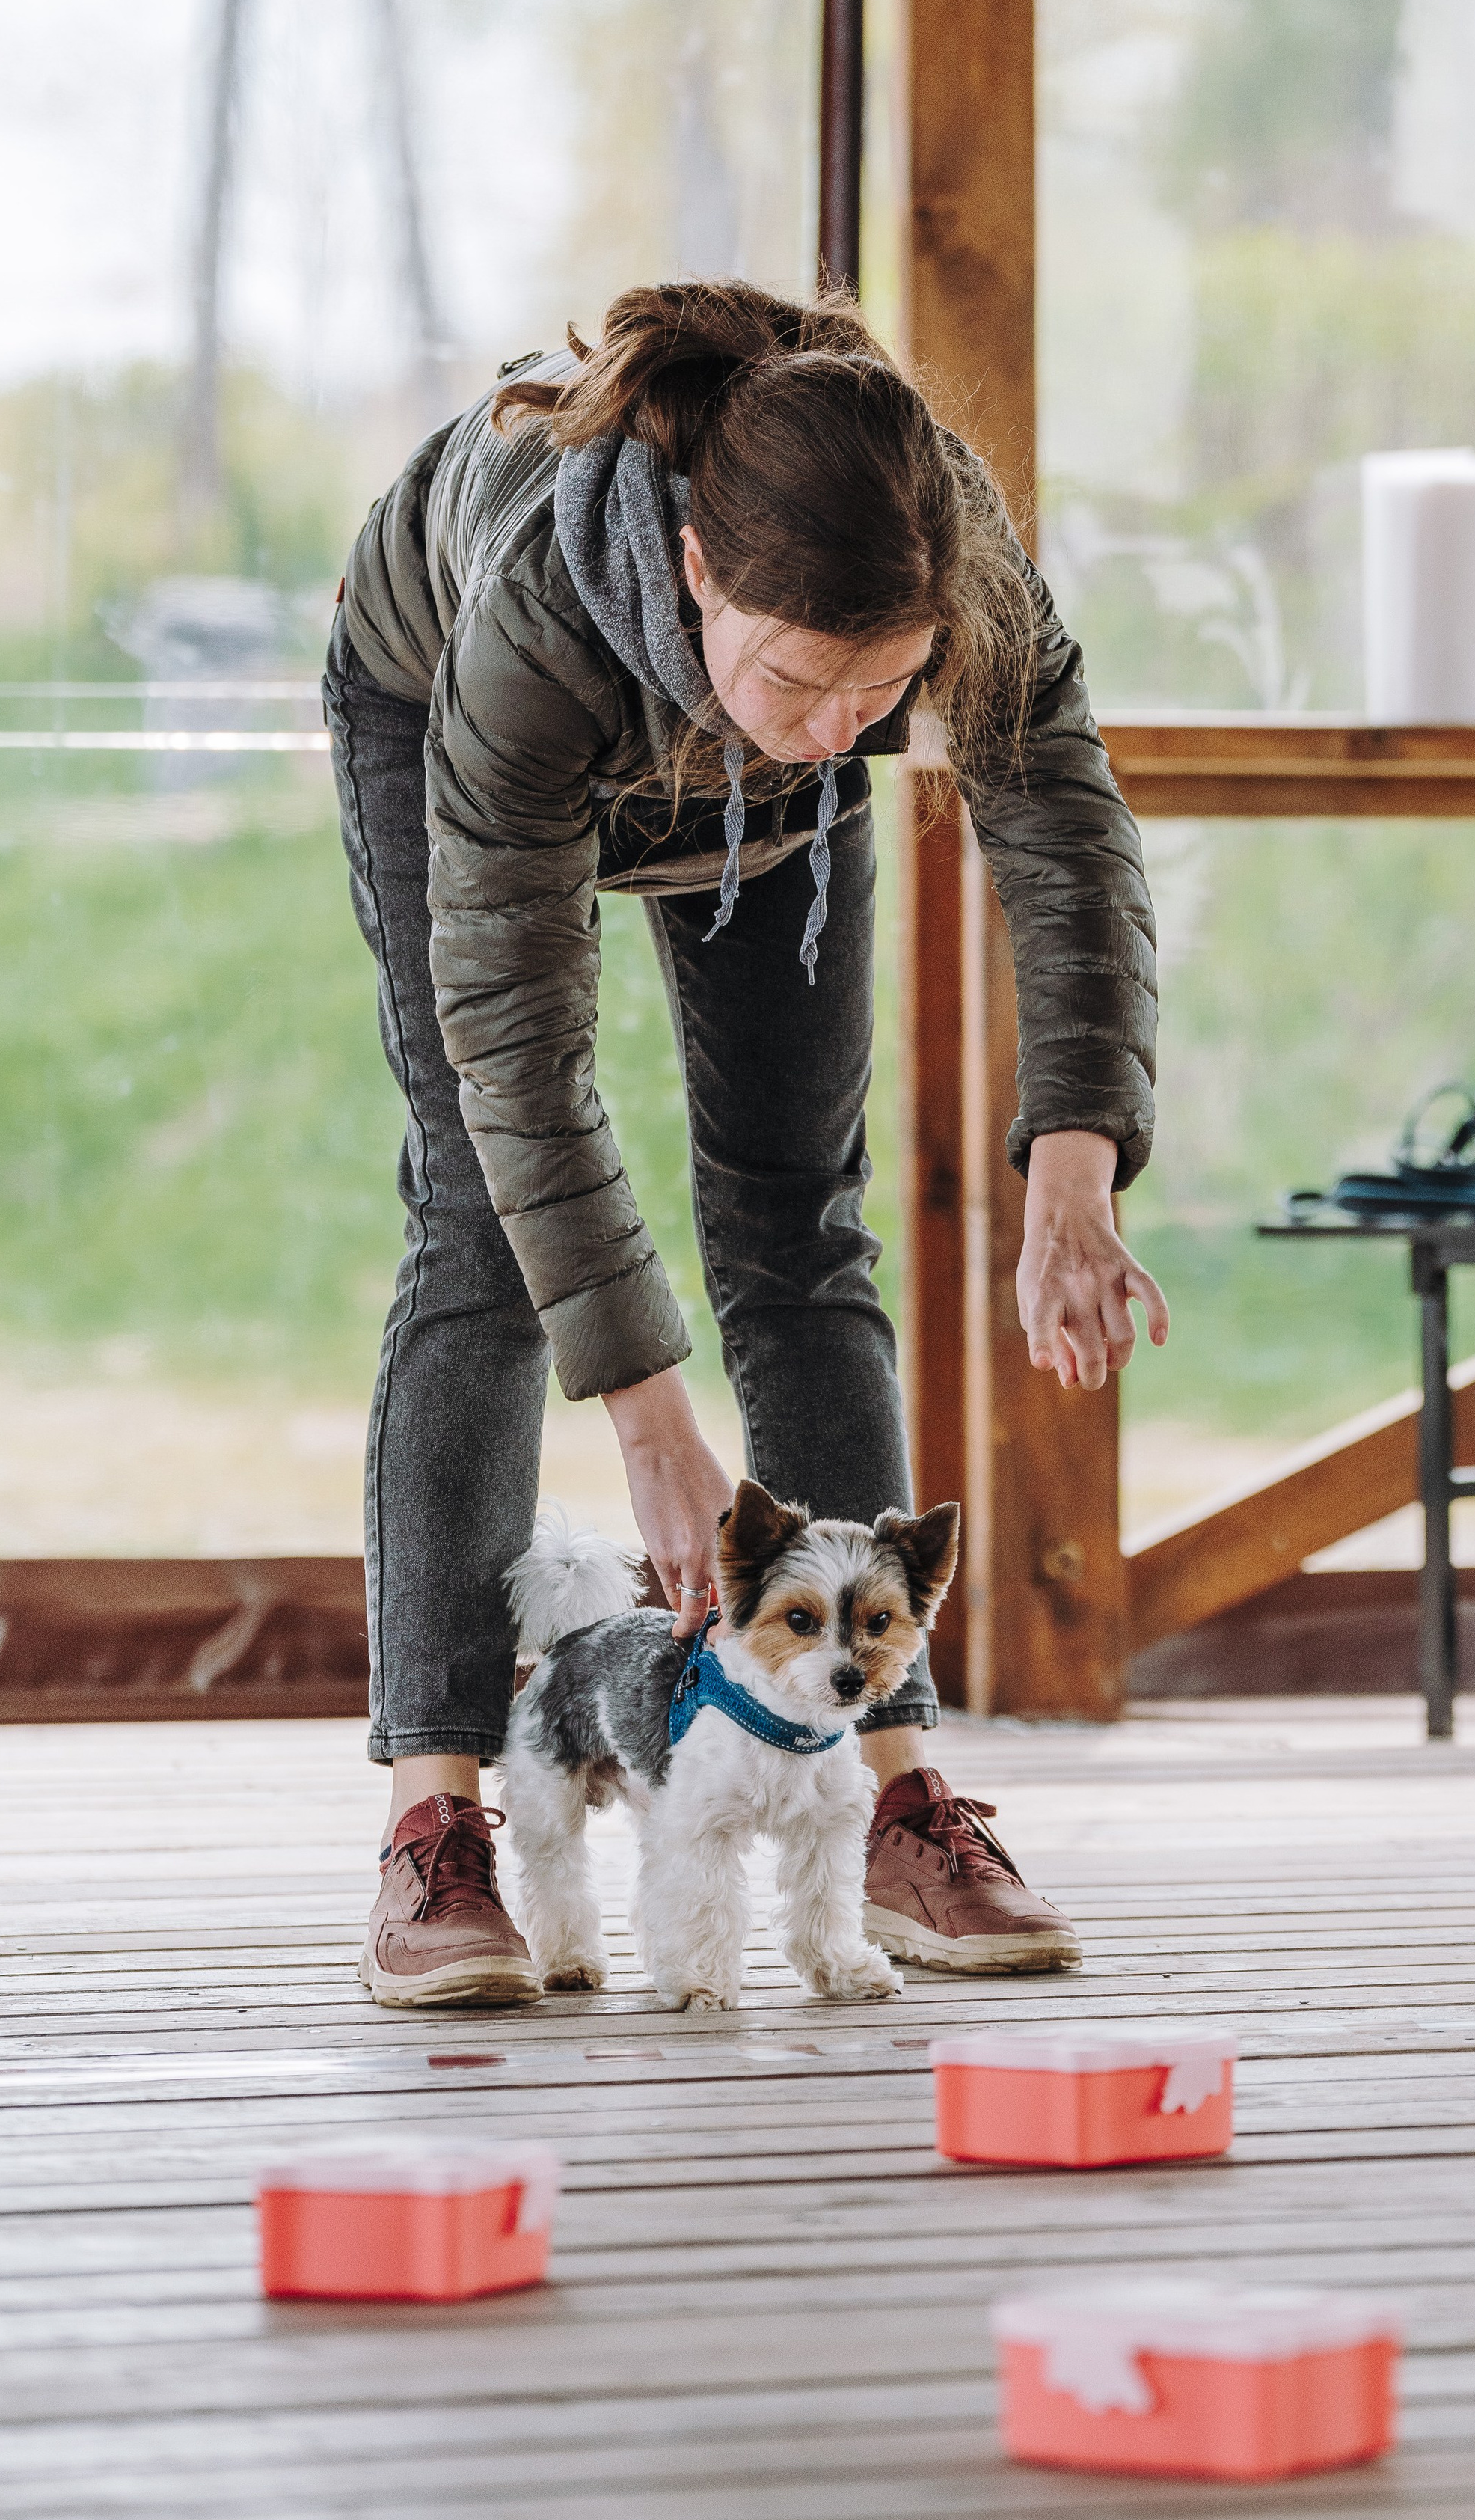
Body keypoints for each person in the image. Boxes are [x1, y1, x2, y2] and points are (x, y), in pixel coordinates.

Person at [325, 280, 1164, 2007]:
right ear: (702, 568)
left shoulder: (925, 570)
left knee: (800, 1222)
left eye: (885, 690)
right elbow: (518, 1052)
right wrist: (644, 1414)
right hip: (446, 713)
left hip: (732, 803)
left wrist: (1069, 1159)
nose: (839, 728)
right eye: (803, 679)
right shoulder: (537, 612)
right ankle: (437, 1822)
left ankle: (894, 1794)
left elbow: (1061, 829)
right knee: (482, 1232)